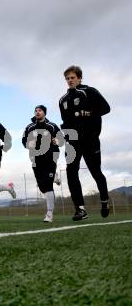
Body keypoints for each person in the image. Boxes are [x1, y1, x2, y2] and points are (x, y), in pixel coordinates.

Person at [59, 66, 111, 221]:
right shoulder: (63, 100)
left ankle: (104, 201)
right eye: (67, 78)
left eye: (72, 77)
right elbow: (66, 120)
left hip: (90, 140)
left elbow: (106, 108)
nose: (70, 80)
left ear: (80, 78)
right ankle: (80, 209)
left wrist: (87, 113)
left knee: (96, 172)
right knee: (71, 172)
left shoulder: (90, 91)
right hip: (72, 142)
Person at [22, 105, 64, 222]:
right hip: (36, 159)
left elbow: (61, 139)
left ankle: (49, 214)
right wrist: (27, 144)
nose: (37, 112)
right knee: (42, 187)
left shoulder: (52, 126)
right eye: (35, 110)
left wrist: (57, 141)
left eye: (40, 110)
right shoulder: (29, 127)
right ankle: (54, 177)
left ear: (44, 113)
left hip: (51, 157)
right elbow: (23, 140)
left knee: (48, 185)